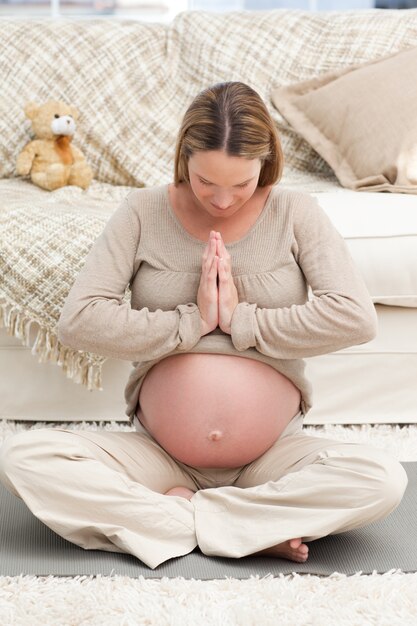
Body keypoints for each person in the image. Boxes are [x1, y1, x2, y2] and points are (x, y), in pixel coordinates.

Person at [0, 82, 408, 570]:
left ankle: (181, 517)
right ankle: (249, 527)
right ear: (184, 159)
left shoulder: (296, 213)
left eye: (241, 184)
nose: (221, 200)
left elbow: (353, 317)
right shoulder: (142, 211)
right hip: (160, 457)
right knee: (25, 458)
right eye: (204, 181)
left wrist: (241, 320)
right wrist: (189, 322)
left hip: (270, 457)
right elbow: (80, 321)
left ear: (266, 163)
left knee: (380, 479)